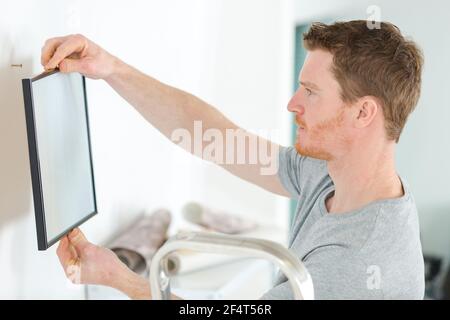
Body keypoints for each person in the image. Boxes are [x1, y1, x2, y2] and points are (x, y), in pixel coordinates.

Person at [45, 20, 425, 299]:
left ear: (363, 113)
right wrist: (112, 68)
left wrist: (119, 279)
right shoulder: (329, 172)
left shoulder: (355, 266)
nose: (292, 104)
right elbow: (211, 137)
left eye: (310, 92)